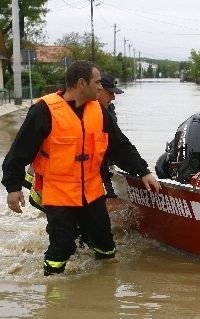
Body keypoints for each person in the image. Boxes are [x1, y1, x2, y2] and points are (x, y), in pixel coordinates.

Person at [2, 60, 161, 276]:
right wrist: (13, 188)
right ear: (81, 83)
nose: (99, 87)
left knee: (105, 242)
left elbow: (120, 146)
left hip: (92, 192)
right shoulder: (44, 110)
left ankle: (106, 288)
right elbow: (19, 153)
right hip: (59, 194)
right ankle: (54, 295)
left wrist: (144, 171)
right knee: (62, 246)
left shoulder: (99, 111)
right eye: (96, 82)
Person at [97, 71, 125, 198]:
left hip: (104, 166)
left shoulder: (108, 110)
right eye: (110, 93)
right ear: (98, 89)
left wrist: (142, 171)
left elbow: (116, 142)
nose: (113, 97)